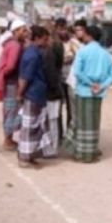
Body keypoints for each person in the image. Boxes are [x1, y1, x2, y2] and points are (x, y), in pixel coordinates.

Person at [65, 25, 112, 163]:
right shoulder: (106, 54)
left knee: (81, 122)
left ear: (88, 35)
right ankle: (92, 152)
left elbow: (77, 72)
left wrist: (90, 83)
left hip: (84, 91)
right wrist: (101, 85)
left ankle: (80, 153)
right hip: (98, 93)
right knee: (94, 122)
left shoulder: (83, 51)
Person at [17, 26, 53, 168]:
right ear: (37, 38)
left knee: (36, 125)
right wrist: (20, 93)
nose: (47, 41)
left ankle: (30, 154)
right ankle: (24, 158)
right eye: (45, 39)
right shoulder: (33, 55)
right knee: (30, 126)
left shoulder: (32, 53)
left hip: (37, 94)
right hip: (33, 94)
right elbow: (25, 77)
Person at [0, 19, 28, 150]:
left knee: (9, 110)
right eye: (23, 30)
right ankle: (8, 139)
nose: (25, 33)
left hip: (8, 82)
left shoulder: (9, 43)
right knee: (12, 111)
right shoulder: (15, 46)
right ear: (16, 31)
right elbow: (11, 65)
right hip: (12, 82)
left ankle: (8, 137)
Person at [43, 23, 65, 154]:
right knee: (55, 118)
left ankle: (50, 148)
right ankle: (55, 144)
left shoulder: (49, 52)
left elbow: (51, 71)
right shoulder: (59, 46)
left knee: (50, 120)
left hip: (51, 89)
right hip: (56, 86)